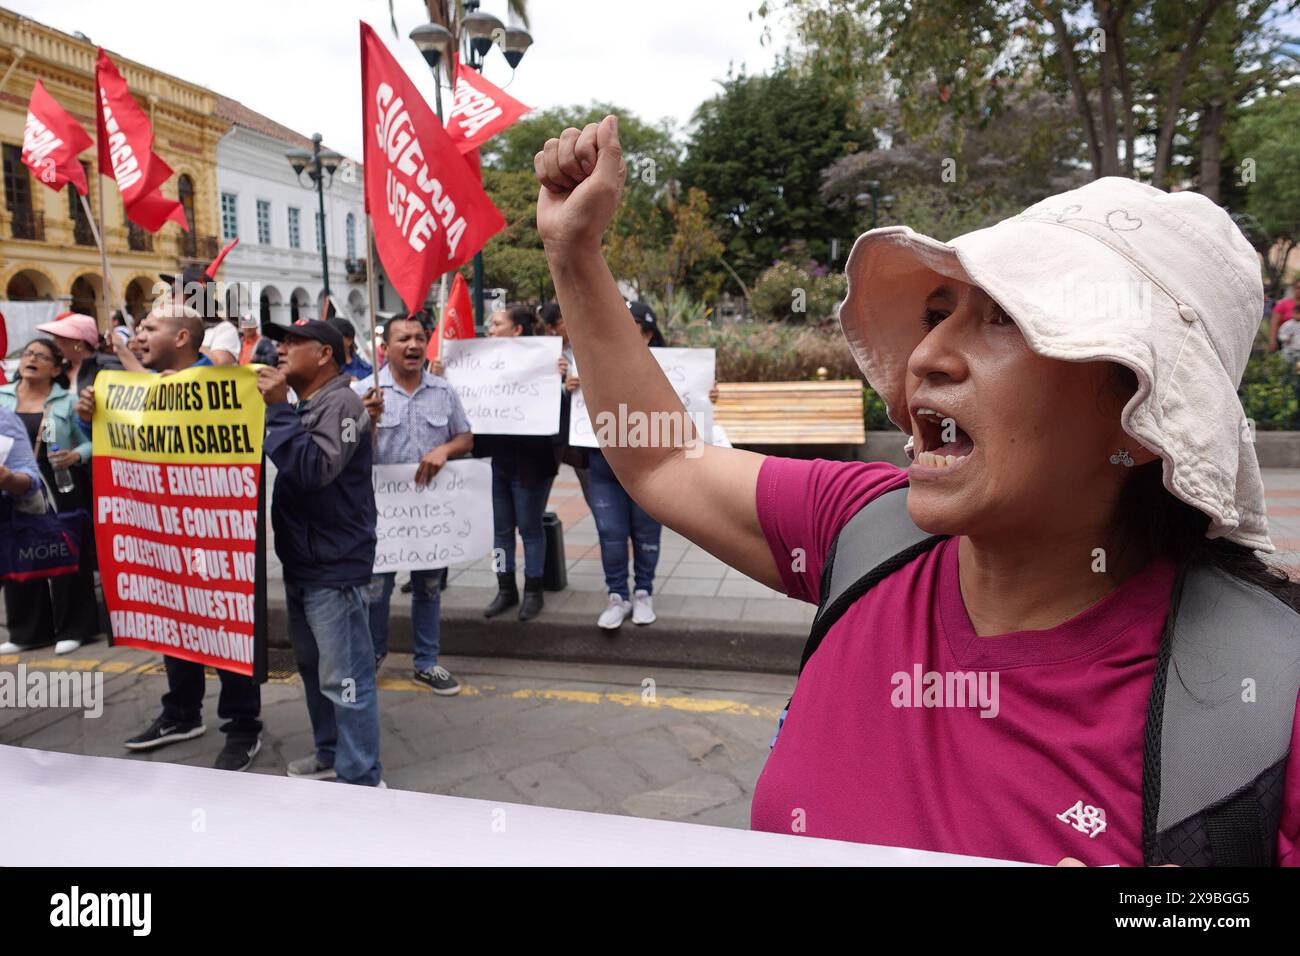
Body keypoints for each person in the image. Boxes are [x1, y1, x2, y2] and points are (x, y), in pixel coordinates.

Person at [535, 118, 1300, 866]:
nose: (929, 355)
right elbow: (665, 464)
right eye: (938, 313)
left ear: (1142, 419)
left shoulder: (1266, 701)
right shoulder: (865, 529)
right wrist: (574, 254)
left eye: (1005, 319)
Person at [76, 299, 265, 771]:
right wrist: (92, 415)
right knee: (174, 612)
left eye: (150, 327)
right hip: (164, 530)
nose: (139, 334)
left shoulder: (226, 387)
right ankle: (181, 712)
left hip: (215, 535)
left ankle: (243, 726)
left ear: (182, 338)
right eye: (138, 327)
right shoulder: (144, 387)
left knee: (224, 620)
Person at [259, 318, 383, 786]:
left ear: (325, 354)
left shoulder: (344, 405)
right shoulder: (308, 403)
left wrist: (276, 411)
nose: (281, 348)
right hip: (305, 561)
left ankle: (361, 776)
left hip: (335, 566)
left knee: (346, 679)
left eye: (294, 342)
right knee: (315, 671)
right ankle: (331, 753)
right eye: (281, 340)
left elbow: (312, 470)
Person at [355, 313, 473, 695]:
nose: (413, 345)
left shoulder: (443, 391)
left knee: (428, 588)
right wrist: (366, 423)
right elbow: (348, 453)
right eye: (403, 338)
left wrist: (444, 449)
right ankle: (371, 656)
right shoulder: (364, 391)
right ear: (385, 347)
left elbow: (466, 438)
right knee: (375, 589)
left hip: (429, 514)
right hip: (381, 513)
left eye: (420, 338)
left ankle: (427, 662)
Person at [0, 338, 99, 655]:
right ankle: (28, 631)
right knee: (18, 549)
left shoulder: (67, 403)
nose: (31, 359)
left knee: (65, 551)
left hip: (59, 482)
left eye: (41, 356)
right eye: (28, 353)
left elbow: (92, 442)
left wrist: (75, 457)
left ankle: (75, 627)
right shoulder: (2, 399)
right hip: (11, 483)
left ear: (56, 369)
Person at [475, 305, 559, 621]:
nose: (490, 329)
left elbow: (559, 415)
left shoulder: (545, 363)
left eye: (496, 323)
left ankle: (533, 591)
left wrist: (562, 384)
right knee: (501, 530)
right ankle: (505, 588)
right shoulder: (484, 364)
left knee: (530, 527)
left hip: (531, 463)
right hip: (498, 461)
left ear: (517, 330)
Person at [585, 306, 665, 630]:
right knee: (611, 532)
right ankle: (618, 594)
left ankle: (643, 591)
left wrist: (706, 395)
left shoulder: (671, 368)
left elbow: (691, 406)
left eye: (631, 326)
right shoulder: (590, 363)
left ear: (647, 333)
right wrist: (568, 388)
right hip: (604, 464)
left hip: (651, 465)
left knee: (646, 530)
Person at [329, 316, 374, 381]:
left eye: (332, 336)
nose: (327, 341)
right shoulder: (322, 369)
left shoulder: (367, 372)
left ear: (349, 340)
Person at [1269, 278, 1300, 352]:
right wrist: (1272, 341)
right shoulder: (1283, 304)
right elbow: (1274, 324)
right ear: (1293, 289)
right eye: (1298, 288)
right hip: (1286, 346)